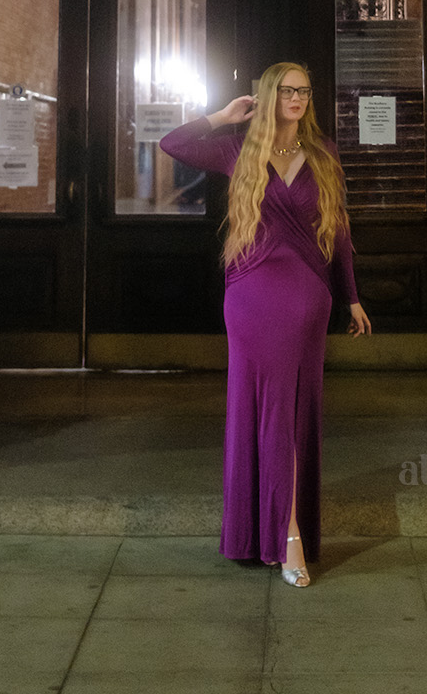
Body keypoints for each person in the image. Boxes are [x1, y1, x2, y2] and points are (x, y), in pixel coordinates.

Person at [159, 62, 371, 587]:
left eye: (304, 89)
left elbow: (339, 230)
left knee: (294, 412)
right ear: (269, 96)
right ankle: (286, 533)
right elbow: (172, 143)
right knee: (266, 410)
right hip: (251, 295)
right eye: (287, 90)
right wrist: (222, 115)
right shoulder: (239, 150)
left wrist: (352, 297)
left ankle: (280, 529)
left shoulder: (324, 153)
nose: (297, 98)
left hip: (308, 296)